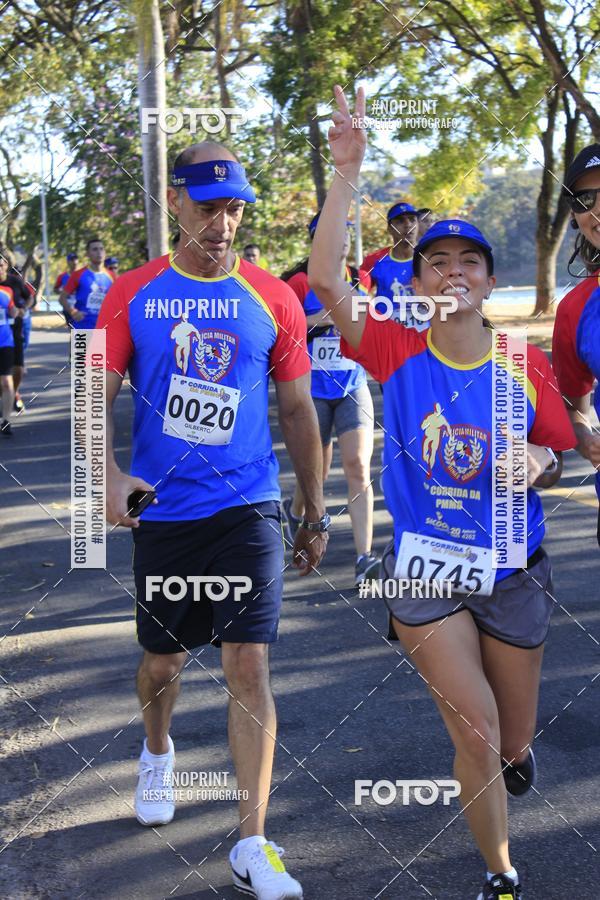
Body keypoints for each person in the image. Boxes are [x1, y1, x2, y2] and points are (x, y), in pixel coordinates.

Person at [307, 85, 577, 900]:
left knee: (514, 739)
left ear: (490, 280)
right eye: (437, 261)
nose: (452, 272)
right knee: (477, 726)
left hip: (513, 570)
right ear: (418, 280)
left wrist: (538, 458)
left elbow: (560, 454)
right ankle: (501, 873)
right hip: (426, 575)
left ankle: (514, 763)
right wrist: (346, 174)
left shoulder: (525, 364)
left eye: (468, 262)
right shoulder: (394, 347)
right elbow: (325, 281)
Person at [98, 140, 328, 900]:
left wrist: (314, 507)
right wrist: (107, 475)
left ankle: (251, 841)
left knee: (248, 665)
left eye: (235, 208)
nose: (223, 224)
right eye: (208, 208)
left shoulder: (275, 297)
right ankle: (158, 751)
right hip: (163, 513)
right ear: (174, 204)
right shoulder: (131, 293)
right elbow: (87, 396)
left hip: (248, 506)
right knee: (163, 664)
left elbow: (296, 407)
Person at [281, 215, 379, 584]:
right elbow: (283, 329)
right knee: (316, 476)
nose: (341, 241)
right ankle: (297, 512)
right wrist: (319, 317)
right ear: (315, 241)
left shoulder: (360, 279)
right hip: (312, 391)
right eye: (332, 234)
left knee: (357, 466)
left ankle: (364, 558)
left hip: (352, 384)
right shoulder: (299, 282)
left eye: (345, 234)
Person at [552, 143, 600, 544]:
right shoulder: (574, 309)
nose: (597, 210)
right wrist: (585, 438)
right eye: (586, 199)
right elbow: (574, 409)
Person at [360, 200, 425, 329]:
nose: (408, 225)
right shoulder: (374, 260)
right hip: (387, 335)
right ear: (390, 228)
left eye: (412, 220)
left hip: (424, 336)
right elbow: (356, 297)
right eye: (400, 221)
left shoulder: (430, 259)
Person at [281, 212, 368, 304]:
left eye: (345, 229)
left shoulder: (362, 280)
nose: (343, 236)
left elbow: (359, 317)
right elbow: (285, 318)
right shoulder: (300, 283)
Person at [0, 257, 33, 414]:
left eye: (1, 265)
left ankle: (13, 394)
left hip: (14, 330)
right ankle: (7, 396)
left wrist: (24, 309)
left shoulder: (15, 282)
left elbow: (29, 297)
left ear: (6, 266)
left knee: (18, 369)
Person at [59, 238, 113, 330]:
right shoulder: (78, 274)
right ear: (87, 254)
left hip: (104, 326)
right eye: (95, 249)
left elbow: (119, 301)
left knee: (99, 345)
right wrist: (73, 312)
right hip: (83, 326)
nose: (99, 252)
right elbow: (62, 298)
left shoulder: (112, 276)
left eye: (101, 249)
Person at [0, 263, 24, 436]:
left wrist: (16, 311)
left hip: (5, 341)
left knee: (7, 382)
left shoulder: (7, 291)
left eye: (1, 266)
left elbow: (12, 310)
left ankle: (6, 420)